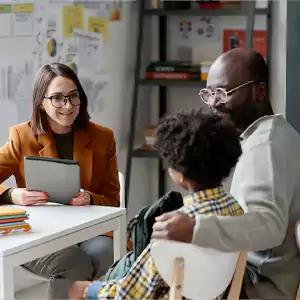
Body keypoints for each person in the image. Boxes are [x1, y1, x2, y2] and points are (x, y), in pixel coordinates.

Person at [152, 48, 300, 299]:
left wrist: (196, 228)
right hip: (248, 269)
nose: (213, 103)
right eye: (209, 93)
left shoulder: (266, 147)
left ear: (259, 91)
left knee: (156, 274)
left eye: (223, 93)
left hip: (257, 285)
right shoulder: (271, 133)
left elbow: (269, 226)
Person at [68, 109, 244, 299]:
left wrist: (88, 289)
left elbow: (127, 295)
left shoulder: (174, 230)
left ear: (180, 175)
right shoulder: (236, 211)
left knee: (81, 289)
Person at [0, 63, 120, 299]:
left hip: (90, 231)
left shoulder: (102, 137)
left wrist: (91, 198)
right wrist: (11, 194)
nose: (68, 106)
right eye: (57, 98)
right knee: (73, 264)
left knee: (104, 253)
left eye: (73, 96)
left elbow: (113, 200)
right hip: (40, 232)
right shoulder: (21, 136)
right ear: (41, 103)